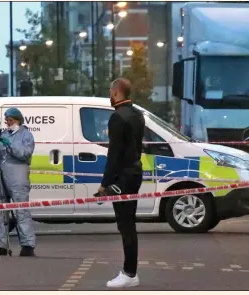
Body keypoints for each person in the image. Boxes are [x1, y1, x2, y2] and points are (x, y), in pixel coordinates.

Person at [99, 78, 145, 288]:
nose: (110, 95)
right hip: (135, 172)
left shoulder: (117, 118)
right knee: (129, 224)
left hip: (123, 177)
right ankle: (130, 271)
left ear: (116, 93)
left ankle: (129, 273)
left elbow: (114, 154)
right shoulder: (137, 114)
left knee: (125, 225)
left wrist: (104, 184)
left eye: (111, 91)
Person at [0, 107, 37, 257]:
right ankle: (1, 243)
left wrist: (8, 144)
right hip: (0, 177)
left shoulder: (26, 135)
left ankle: (27, 244)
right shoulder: (3, 134)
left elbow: (24, 154)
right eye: (6, 120)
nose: (7, 122)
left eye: (11, 120)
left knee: (21, 211)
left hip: (18, 177)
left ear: (18, 120)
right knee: (0, 212)